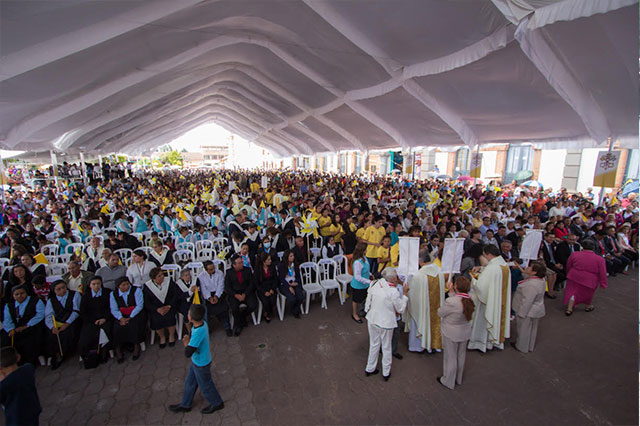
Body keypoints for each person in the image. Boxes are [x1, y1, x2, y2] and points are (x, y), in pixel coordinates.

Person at [168, 304, 225, 414]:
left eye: (189, 313)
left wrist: (186, 343)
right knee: (190, 382)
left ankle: (217, 403)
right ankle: (186, 404)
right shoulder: (203, 324)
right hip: (197, 362)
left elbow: (188, 352)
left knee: (206, 385)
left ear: (190, 318)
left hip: (201, 363)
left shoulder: (199, 332)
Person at [364, 268, 409, 381]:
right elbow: (401, 309)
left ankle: (370, 368)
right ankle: (386, 372)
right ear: (393, 278)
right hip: (385, 322)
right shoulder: (392, 291)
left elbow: (368, 301)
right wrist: (404, 294)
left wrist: (367, 311)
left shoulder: (375, 283)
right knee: (386, 346)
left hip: (372, 318)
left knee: (374, 344)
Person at [467, 244, 511, 352]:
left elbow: (481, 288)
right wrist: (482, 269)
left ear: (489, 254)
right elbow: (493, 276)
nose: (484, 257)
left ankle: (480, 343)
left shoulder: (492, 268)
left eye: (485, 255)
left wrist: (473, 279)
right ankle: (494, 341)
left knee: (484, 321)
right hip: (498, 299)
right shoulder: (503, 265)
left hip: (488, 302)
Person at [436, 276, 474, 390]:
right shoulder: (471, 298)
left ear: (456, 286)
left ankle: (448, 380)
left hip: (451, 332)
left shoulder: (451, 301)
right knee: (461, 355)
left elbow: (440, 313)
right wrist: (452, 292)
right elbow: (460, 301)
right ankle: (458, 378)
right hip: (465, 331)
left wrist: (450, 293)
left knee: (451, 357)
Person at [406, 250, 445, 353]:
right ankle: (434, 345)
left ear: (420, 261)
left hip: (423, 308)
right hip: (436, 308)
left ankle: (419, 346)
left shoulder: (419, 276)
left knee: (419, 320)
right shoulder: (439, 272)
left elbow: (412, 295)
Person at [1, 284, 45, 366]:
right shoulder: (9, 305)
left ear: (26, 293)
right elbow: (7, 319)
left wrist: (27, 325)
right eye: (16, 294)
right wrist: (11, 329)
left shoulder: (35, 301)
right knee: (4, 339)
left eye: (22, 293)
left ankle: (34, 359)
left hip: (31, 325)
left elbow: (41, 314)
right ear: (13, 295)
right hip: (15, 328)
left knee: (30, 339)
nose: (20, 296)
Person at [44, 279, 82, 370]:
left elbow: (76, 311)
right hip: (58, 321)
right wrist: (52, 327)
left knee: (70, 331)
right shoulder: (51, 300)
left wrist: (67, 323)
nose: (62, 290)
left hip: (72, 319)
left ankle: (69, 351)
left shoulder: (75, 295)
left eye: (63, 288)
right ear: (54, 290)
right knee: (52, 334)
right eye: (58, 289)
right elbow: (49, 315)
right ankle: (58, 355)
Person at [563, 240, 607, 315]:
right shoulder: (600, 259)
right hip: (590, 279)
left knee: (572, 292)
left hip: (574, 276)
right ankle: (587, 306)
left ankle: (569, 308)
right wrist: (603, 283)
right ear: (593, 247)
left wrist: (569, 273)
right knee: (587, 294)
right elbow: (603, 272)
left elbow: (569, 265)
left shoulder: (574, 254)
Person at [0, 346, 42, 426]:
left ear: (1, 368)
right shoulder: (28, 368)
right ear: (18, 357)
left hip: (16, 420)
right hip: (33, 411)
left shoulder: (5, 385)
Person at [511, 261, 547, 353]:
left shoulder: (531, 285)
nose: (527, 267)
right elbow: (526, 275)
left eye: (530, 267)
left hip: (527, 310)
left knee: (523, 329)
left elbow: (527, 301)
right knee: (532, 328)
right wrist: (519, 267)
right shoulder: (540, 280)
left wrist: (521, 313)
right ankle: (530, 346)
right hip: (536, 309)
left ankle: (521, 346)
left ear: (534, 272)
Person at [78, 276, 113, 364]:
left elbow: (111, 308)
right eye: (94, 284)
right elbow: (83, 313)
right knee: (87, 334)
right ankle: (91, 355)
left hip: (106, 319)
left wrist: (104, 318)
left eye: (98, 284)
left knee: (106, 330)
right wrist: (94, 320)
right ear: (90, 285)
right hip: (91, 321)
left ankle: (104, 353)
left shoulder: (107, 293)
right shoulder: (86, 296)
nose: (96, 286)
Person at [143, 267, 181, 347]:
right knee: (156, 319)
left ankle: (171, 336)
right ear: (154, 279)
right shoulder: (148, 286)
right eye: (159, 276)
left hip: (169, 306)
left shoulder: (169, 281)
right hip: (156, 309)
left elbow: (175, 295)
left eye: (162, 275)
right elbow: (147, 302)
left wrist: (169, 306)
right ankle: (162, 337)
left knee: (170, 316)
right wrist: (157, 309)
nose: (162, 277)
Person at [109, 276, 144, 363]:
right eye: (123, 285)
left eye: (127, 284)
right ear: (118, 287)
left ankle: (136, 345)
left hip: (135, 313)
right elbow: (114, 309)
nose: (126, 286)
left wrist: (130, 317)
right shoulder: (113, 294)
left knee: (135, 324)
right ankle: (118, 349)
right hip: (121, 315)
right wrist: (121, 318)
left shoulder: (136, 290)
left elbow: (139, 305)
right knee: (117, 327)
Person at [224, 255, 257, 336]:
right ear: (234, 265)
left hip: (246, 293)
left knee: (253, 305)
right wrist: (235, 295)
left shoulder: (247, 270)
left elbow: (251, 284)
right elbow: (227, 287)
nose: (242, 264)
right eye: (239, 263)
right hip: (235, 294)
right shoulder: (229, 273)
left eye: (242, 262)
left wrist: (245, 294)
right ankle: (239, 325)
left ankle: (242, 317)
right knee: (234, 308)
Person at [197, 261, 232, 336]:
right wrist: (209, 298)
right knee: (206, 309)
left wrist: (216, 296)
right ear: (206, 270)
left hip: (219, 293)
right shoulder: (201, 276)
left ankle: (227, 326)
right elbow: (203, 289)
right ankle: (208, 328)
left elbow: (221, 285)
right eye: (210, 269)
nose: (213, 270)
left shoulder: (219, 273)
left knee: (224, 307)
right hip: (208, 295)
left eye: (213, 268)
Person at [278, 250, 304, 319]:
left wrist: (296, 283)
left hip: (294, 282)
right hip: (285, 284)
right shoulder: (281, 265)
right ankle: (294, 310)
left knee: (301, 297)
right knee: (292, 299)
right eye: (291, 256)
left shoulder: (295, 264)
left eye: (293, 256)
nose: (293, 257)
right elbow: (281, 278)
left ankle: (295, 310)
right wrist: (289, 286)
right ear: (287, 257)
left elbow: (298, 276)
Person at [349, 243, 371, 323]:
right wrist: (369, 281)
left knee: (364, 298)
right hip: (358, 285)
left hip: (365, 284)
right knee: (356, 300)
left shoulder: (364, 258)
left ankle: (361, 311)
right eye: (366, 249)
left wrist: (370, 275)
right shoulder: (357, 262)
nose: (367, 250)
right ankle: (354, 314)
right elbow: (357, 277)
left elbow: (367, 270)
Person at [255, 252, 278, 322]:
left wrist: (272, 288)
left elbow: (275, 279)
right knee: (265, 300)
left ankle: (269, 311)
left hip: (271, 286)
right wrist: (264, 292)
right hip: (262, 289)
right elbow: (256, 283)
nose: (270, 261)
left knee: (273, 298)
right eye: (268, 260)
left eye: (270, 259)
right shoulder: (258, 269)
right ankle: (266, 313)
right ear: (263, 261)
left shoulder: (272, 267)